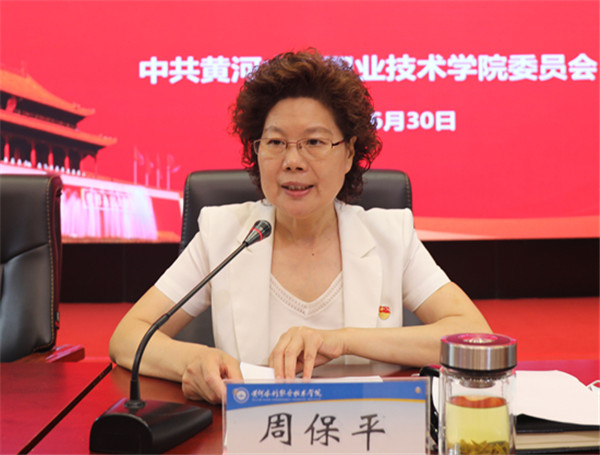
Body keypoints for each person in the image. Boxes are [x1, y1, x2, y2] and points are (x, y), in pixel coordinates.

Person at [109, 49, 491, 404]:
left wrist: (343, 342)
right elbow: (128, 337)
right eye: (276, 142)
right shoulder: (224, 234)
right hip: (253, 433)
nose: (292, 161)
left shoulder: (390, 235)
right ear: (256, 151)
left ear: (348, 154)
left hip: (366, 432)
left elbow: (474, 336)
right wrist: (192, 360)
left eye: (314, 142)